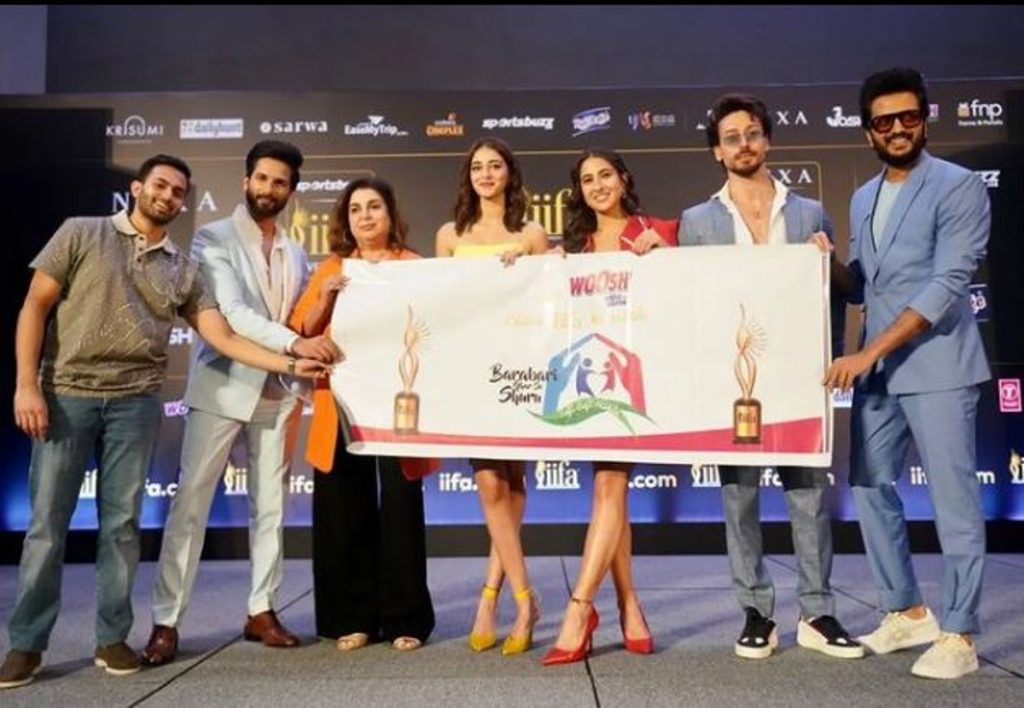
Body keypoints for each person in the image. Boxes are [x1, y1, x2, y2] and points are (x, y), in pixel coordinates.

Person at [1, 155, 330, 690]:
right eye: (161, 186)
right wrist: (26, 384)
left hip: (146, 401)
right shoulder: (91, 233)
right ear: (138, 188)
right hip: (79, 395)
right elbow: (35, 306)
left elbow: (228, 331)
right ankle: (37, 643)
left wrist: (293, 363)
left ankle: (120, 637)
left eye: (178, 191)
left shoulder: (194, 263)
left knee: (127, 526)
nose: (169, 196)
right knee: (50, 526)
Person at [678, 93, 864, 661]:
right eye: (731, 137)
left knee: (808, 497)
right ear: (717, 151)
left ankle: (818, 611)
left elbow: (840, 292)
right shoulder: (697, 222)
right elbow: (689, 304)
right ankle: (756, 612)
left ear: (767, 141)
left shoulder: (809, 212)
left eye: (752, 133)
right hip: (733, 381)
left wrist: (826, 261)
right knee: (739, 498)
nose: (744, 144)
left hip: (800, 377)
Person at [142, 141, 341, 666]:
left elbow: (297, 318)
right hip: (223, 386)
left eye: (280, 182)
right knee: (190, 506)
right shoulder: (213, 237)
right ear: (246, 181)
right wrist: (295, 347)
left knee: (271, 508)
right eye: (262, 178)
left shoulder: (295, 252)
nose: (269, 189)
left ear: (291, 191)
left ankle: (262, 609)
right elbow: (230, 313)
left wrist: (316, 320)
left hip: (280, 393)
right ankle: (166, 621)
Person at [825, 67, 990, 680]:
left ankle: (960, 633)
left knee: (953, 500)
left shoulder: (959, 185)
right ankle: (907, 610)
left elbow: (947, 283)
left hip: (938, 363)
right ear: (867, 130)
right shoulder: (863, 196)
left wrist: (868, 352)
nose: (897, 129)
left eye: (908, 117)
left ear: (925, 118)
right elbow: (862, 285)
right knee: (870, 487)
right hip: (879, 372)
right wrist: (823, 262)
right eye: (884, 121)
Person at [288, 177, 435, 653]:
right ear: (346, 220)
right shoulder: (333, 267)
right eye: (356, 209)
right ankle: (352, 618)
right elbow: (303, 329)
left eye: (374, 207)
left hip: (397, 402)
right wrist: (327, 296)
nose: (365, 216)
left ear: (390, 215)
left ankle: (405, 618)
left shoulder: (413, 265)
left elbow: (436, 324)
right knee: (343, 508)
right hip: (341, 401)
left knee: (400, 506)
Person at [541, 148, 676, 666]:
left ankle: (580, 609)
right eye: (587, 179)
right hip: (585, 382)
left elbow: (694, 288)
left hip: (633, 379)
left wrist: (666, 254)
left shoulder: (658, 230)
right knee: (609, 490)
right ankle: (628, 602)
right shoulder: (573, 247)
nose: (597, 185)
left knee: (608, 485)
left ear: (623, 179)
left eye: (605, 175)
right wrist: (534, 271)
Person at [435, 137, 548, 655]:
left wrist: (531, 260)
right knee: (488, 482)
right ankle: (520, 600)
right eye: (477, 167)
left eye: (495, 165)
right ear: (469, 176)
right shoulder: (449, 235)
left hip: (521, 365)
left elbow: (548, 297)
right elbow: (442, 305)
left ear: (509, 173)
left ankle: (492, 597)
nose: (485, 174)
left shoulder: (532, 233)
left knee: (513, 482)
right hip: (470, 368)